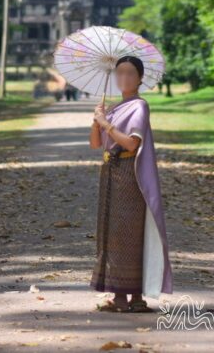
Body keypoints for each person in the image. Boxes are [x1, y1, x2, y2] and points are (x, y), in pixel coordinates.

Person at [88, 55, 173, 312]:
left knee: (129, 234)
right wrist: (96, 121)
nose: (124, 78)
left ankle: (133, 296)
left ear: (139, 79)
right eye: (120, 72)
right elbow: (94, 144)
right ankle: (121, 297)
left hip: (129, 175)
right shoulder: (114, 108)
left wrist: (107, 124)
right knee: (111, 235)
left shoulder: (139, 106)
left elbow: (132, 144)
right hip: (110, 174)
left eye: (130, 73)